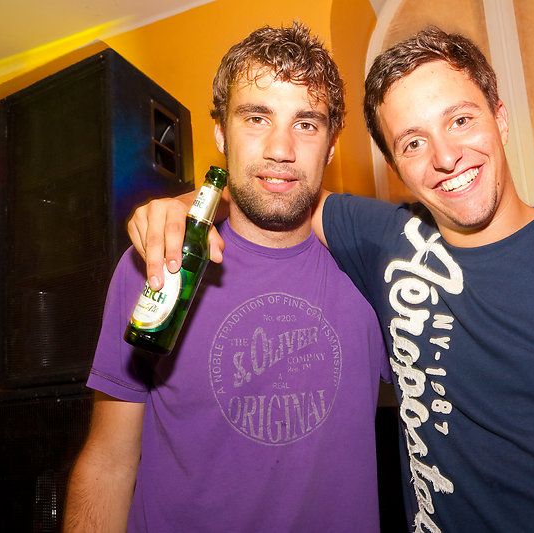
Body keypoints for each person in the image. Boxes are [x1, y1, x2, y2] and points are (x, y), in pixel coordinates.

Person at [132, 26, 534, 531]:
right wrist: (183, 208)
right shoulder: (383, 239)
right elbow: (275, 184)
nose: (446, 157)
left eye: (460, 120)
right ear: (394, 166)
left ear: (500, 117)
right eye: (412, 143)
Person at [64, 23, 392, 532]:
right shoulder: (156, 262)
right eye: (257, 118)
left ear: (331, 146)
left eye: (306, 123)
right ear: (220, 132)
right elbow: (109, 462)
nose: (280, 148)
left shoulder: (376, 274)